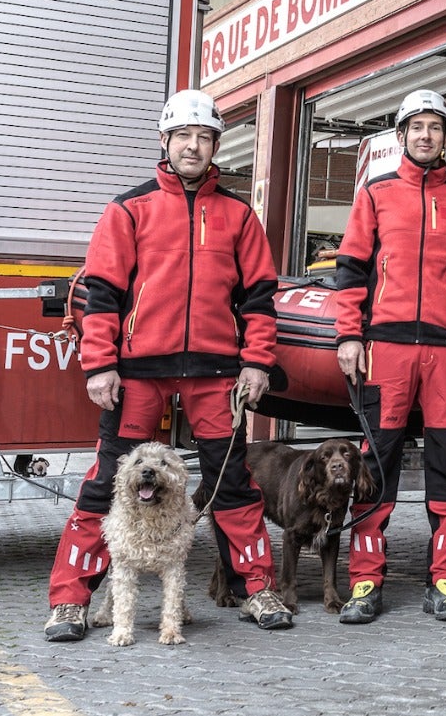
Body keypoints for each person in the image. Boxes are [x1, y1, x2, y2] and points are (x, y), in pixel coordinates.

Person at [45, 89, 292, 641]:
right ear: (165, 141)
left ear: (215, 146)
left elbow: (258, 299)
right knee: (109, 481)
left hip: (216, 373)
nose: (194, 146)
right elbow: (102, 295)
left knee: (232, 481)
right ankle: (69, 600)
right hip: (137, 371)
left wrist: (256, 363)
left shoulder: (238, 214)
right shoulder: (129, 209)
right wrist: (98, 366)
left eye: (205, 137)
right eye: (184, 136)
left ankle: (258, 589)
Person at [332, 89, 446, 624]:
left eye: (435, 127)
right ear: (402, 135)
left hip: (444, 352)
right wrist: (347, 335)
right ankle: (365, 582)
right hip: (384, 348)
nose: (426, 135)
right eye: (416, 127)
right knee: (374, 464)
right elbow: (350, 270)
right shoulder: (376, 194)